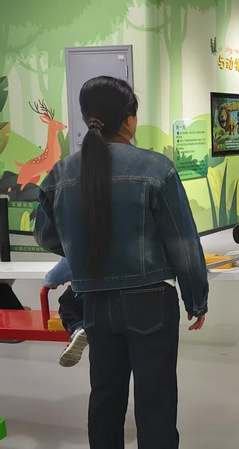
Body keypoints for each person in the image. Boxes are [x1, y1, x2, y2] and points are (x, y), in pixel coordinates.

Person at [34, 76, 209, 449]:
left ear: (87, 118)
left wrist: (82, 249)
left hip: (94, 302)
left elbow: (46, 236)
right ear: (130, 120)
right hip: (151, 302)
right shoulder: (156, 169)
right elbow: (183, 243)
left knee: (105, 398)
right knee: (156, 401)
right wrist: (196, 298)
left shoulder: (61, 173)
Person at [44, 257, 88, 367]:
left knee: (67, 302)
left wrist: (48, 282)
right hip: (122, 300)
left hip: (88, 298)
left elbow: (52, 279)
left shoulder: (78, 250)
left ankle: (78, 327)